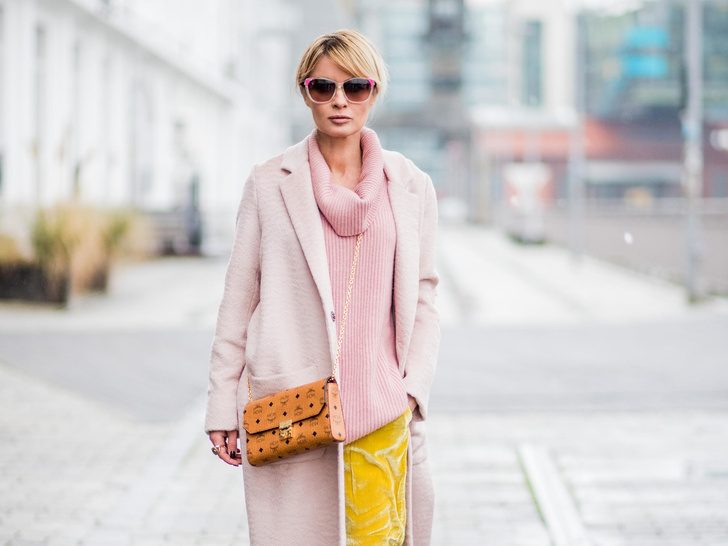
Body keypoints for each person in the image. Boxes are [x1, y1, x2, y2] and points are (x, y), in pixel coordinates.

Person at [204, 28, 440, 546]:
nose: (339, 100)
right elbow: (238, 301)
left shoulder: (411, 186)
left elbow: (424, 297)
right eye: (323, 87)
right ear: (305, 91)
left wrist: (412, 391)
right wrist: (221, 403)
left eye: (355, 87)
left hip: (381, 409)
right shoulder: (269, 182)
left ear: (374, 92)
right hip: (293, 407)